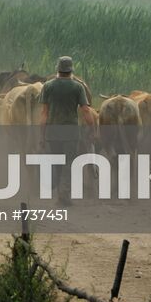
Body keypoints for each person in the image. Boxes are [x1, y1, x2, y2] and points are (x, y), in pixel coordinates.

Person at [40, 56, 92, 203]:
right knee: (69, 163)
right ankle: (64, 195)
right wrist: (93, 129)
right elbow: (86, 111)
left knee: (57, 162)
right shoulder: (77, 87)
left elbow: (44, 113)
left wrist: (41, 135)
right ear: (71, 70)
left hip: (52, 132)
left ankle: (59, 194)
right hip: (71, 132)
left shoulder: (48, 86)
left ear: (58, 69)